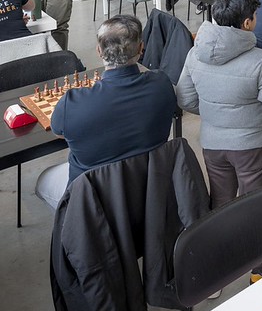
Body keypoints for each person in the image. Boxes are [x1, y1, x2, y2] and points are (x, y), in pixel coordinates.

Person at [177, 0, 262, 282]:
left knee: (221, 202)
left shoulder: (194, 53)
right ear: (247, 23)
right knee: (255, 205)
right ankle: (259, 268)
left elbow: (185, 99)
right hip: (253, 146)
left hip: (212, 144)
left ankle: (220, 266)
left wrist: (215, 114)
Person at [35, 15, 177, 208]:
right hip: (151, 189)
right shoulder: (162, 83)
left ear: (99, 51)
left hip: (93, 200)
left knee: (43, 180)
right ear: (141, 48)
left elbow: (58, 132)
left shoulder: (73, 102)